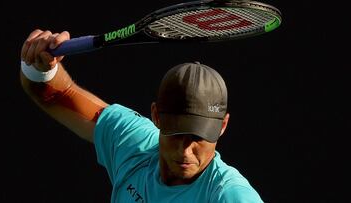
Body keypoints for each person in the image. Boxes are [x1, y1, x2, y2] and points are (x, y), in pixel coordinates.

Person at [20, 29, 264, 203]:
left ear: (222, 126)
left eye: (199, 136)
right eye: (177, 132)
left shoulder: (230, 196)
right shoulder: (132, 143)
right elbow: (55, 94)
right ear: (156, 116)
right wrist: (40, 65)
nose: (186, 150)